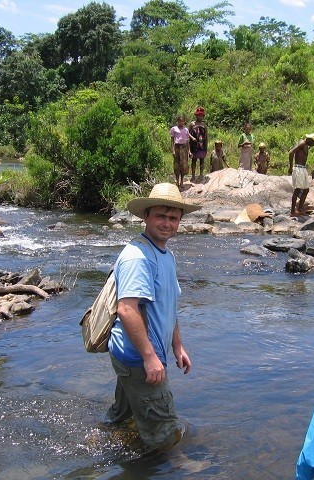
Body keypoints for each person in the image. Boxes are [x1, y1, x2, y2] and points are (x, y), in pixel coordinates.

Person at [106, 183, 201, 450]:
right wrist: (150, 358)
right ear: (146, 216)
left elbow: (168, 305)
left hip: (130, 353)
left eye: (173, 218)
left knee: (122, 417)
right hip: (139, 357)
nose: (167, 223)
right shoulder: (138, 257)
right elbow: (127, 309)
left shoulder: (166, 254)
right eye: (160, 216)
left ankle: (102, 438)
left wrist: (177, 345)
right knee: (165, 435)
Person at [288, 133, 314, 217]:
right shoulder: (302, 143)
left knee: (306, 190)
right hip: (298, 168)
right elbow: (291, 153)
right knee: (297, 190)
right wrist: (291, 167)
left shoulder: (305, 145)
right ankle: (292, 212)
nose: (313, 145)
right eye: (313, 143)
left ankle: (299, 208)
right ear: (310, 139)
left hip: (302, 168)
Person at [170, 115, 191, 189]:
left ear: (184, 122)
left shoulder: (186, 130)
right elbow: (172, 140)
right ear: (177, 121)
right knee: (176, 165)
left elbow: (188, 142)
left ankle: (182, 181)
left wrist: (189, 151)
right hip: (177, 148)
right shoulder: (174, 129)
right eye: (179, 121)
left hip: (184, 148)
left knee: (183, 165)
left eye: (182, 121)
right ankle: (177, 181)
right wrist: (172, 150)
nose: (181, 122)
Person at [189, 107, 208, 181]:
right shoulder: (192, 124)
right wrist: (191, 141)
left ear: (203, 116)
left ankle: (201, 175)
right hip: (193, 145)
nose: (199, 117)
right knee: (193, 160)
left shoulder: (204, 125)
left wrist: (206, 147)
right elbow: (188, 134)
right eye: (198, 115)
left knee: (202, 160)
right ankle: (193, 175)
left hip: (202, 145)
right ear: (196, 116)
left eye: (201, 115)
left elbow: (206, 136)